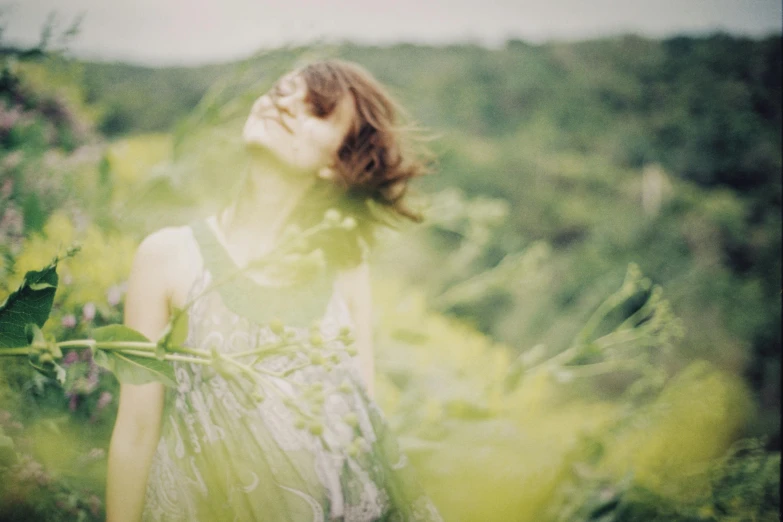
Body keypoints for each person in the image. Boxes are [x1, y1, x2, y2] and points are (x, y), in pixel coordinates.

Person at [105, 60, 442, 521]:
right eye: (283, 90)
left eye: (317, 109)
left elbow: (360, 428)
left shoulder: (344, 266)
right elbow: (135, 434)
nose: (283, 102)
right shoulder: (166, 257)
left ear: (337, 164)